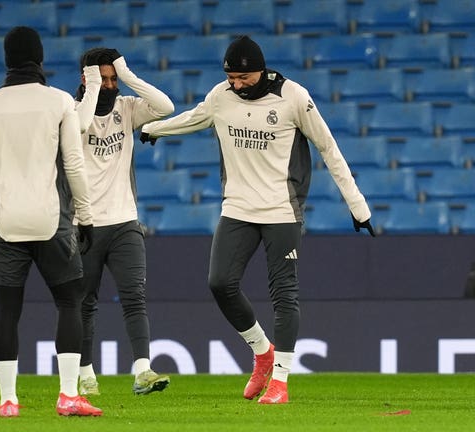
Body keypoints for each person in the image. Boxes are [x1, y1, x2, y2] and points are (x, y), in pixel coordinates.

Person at [140, 35, 375, 404]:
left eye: (243, 79)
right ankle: (262, 352)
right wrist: (154, 128)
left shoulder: (293, 97)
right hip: (237, 208)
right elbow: (196, 117)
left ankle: (280, 382)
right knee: (220, 283)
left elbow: (328, 147)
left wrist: (358, 207)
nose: (236, 85)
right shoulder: (221, 96)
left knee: (284, 294)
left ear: (260, 71)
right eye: (231, 78)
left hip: (282, 210)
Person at [0, 26, 101, 418]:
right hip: (51, 219)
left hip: (6, 222)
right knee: (69, 303)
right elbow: (74, 164)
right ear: (39, 59)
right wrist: (86, 218)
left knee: (7, 311)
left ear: (7, 61)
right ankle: (68, 395)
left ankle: (8, 400)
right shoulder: (58, 101)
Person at [73, 47, 175, 396]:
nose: (110, 85)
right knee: (85, 303)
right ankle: (85, 373)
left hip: (124, 221)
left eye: (113, 79)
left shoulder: (127, 108)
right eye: (103, 79)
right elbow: (80, 126)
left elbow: (165, 107)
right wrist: (91, 89)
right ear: (86, 79)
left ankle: (143, 371)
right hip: (83, 223)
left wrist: (127, 75)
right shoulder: (71, 114)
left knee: (134, 296)